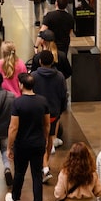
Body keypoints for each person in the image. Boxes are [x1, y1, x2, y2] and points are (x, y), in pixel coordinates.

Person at [5, 73, 50, 201]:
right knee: (37, 176)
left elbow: (13, 127)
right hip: (38, 144)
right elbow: (47, 124)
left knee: (19, 173)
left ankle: (16, 199)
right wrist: (44, 138)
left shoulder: (18, 103)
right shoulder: (43, 101)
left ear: (21, 85)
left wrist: (9, 147)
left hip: (22, 145)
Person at [32, 49, 68, 182]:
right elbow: (64, 95)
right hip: (53, 113)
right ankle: (45, 163)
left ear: (40, 61)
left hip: (38, 113)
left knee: (41, 139)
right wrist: (61, 109)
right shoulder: (59, 77)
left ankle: (44, 166)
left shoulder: (34, 76)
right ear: (53, 61)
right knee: (50, 137)